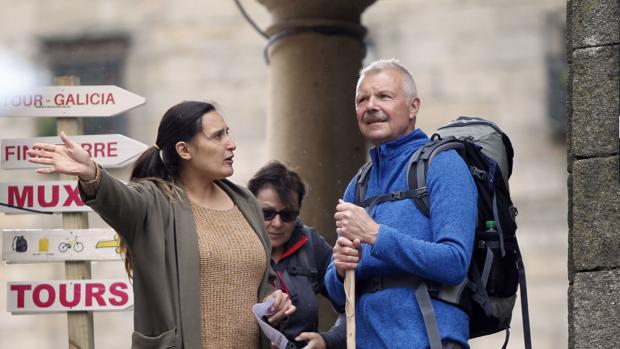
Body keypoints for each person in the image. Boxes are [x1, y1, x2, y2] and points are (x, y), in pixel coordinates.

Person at [27, 101, 295, 349]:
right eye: (218, 136)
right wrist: (91, 173)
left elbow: (260, 280)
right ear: (184, 150)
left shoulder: (245, 201)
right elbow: (118, 200)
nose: (231, 144)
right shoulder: (154, 202)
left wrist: (273, 300)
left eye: (228, 133)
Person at [323, 59, 478, 349]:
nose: (370, 106)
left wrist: (375, 235)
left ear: (413, 106)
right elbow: (335, 291)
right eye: (362, 99)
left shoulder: (444, 165)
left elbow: (455, 261)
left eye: (383, 96)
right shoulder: (359, 183)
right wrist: (340, 269)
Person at [248, 161, 346, 349]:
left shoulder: (311, 244)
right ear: (250, 208)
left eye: (288, 215)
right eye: (267, 213)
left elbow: (356, 305)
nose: (277, 223)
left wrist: (328, 340)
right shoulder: (234, 248)